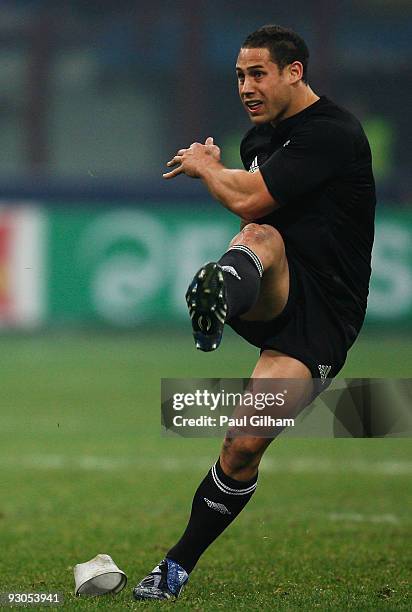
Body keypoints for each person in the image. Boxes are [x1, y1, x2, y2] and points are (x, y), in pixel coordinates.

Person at [133, 24, 376, 601]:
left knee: (243, 445)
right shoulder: (259, 141)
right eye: (240, 75)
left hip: (326, 317)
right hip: (277, 286)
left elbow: (245, 193)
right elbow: (250, 202)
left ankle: (175, 567)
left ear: (295, 71)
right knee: (259, 236)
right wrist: (223, 170)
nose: (246, 86)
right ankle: (217, 304)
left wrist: (205, 166)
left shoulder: (333, 133)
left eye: (257, 73)